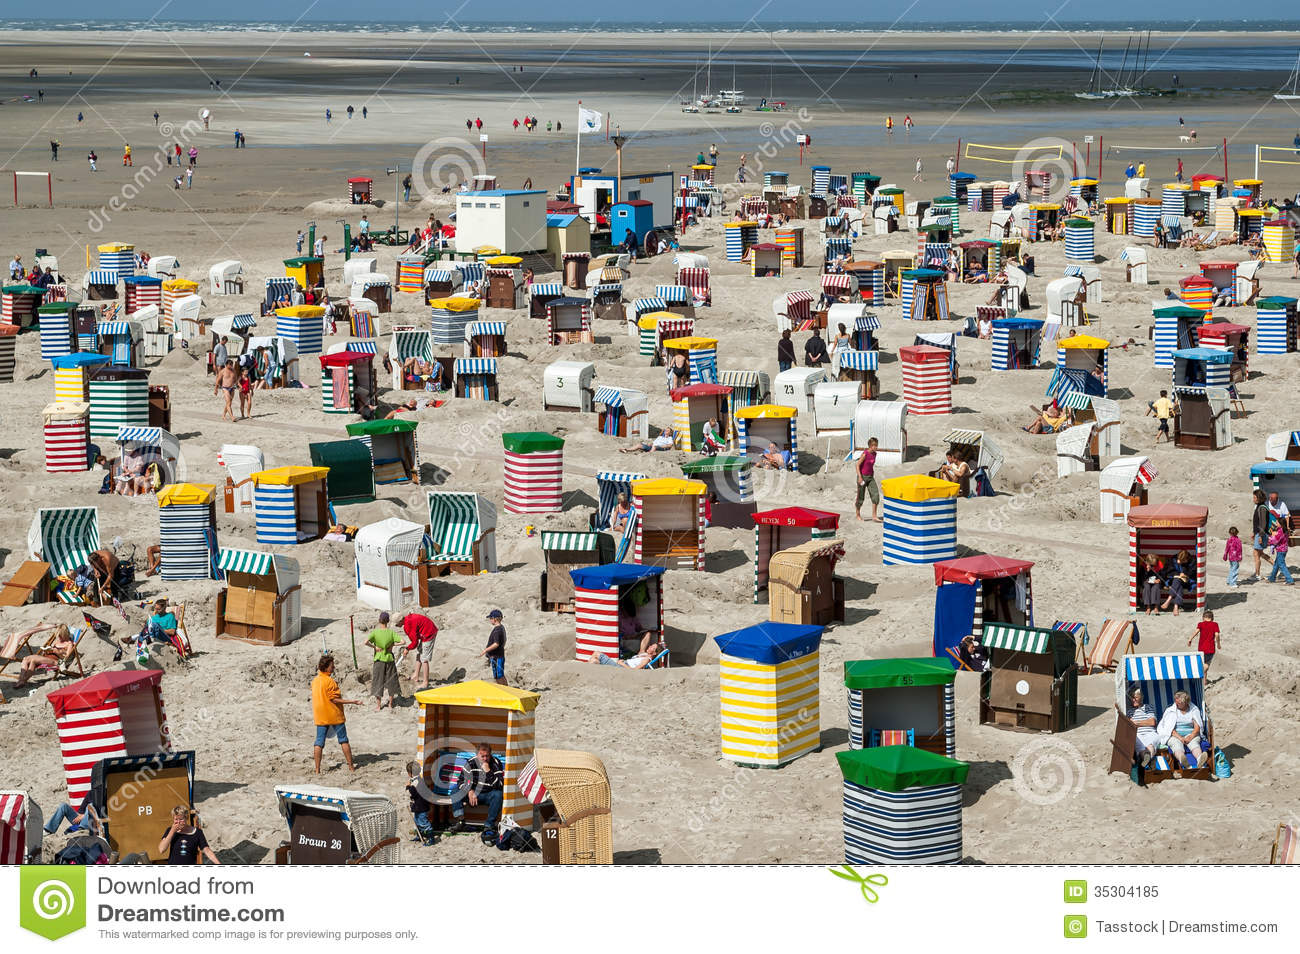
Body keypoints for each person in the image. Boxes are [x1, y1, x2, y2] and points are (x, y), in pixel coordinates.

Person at [312, 655, 360, 773]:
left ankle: (317, 769)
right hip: (334, 715)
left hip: (320, 715)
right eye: (332, 666)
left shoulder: (315, 681)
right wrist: (352, 701)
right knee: (343, 740)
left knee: (319, 742)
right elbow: (334, 699)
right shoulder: (330, 682)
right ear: (326, 667)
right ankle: (351, 767)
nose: (334, 667)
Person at [448, 743, 504, 839]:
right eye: (482, 756)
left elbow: (500, 784)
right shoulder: (470, 763)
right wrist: (470, 791)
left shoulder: (495, 763)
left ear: (490, 755)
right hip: (472, 793)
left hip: (488, 794)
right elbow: (461, 781)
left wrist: (488, 772)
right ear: (477, 755)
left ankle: (489, 825)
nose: (485, 759)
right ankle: (461, 822)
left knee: (498, 795)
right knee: (455, 791)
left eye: (487, 756)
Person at [13, 624, 76, 688]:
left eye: (60, 635)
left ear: (64, 634)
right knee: (26, 659)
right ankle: (22, 681)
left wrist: (58, 652)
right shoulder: (57, 642)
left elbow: (67, 657)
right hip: (47, 658)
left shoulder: (69, 644)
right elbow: (52, 650)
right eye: (58, 635)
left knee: (33, 660)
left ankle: (21, 681)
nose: (58, 637)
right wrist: (48, 650)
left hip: (56, 661)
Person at [1158, 690, 1205, 770]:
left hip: (1190, 733)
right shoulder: (1171, 711)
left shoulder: (1193, 710)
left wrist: (1191, 736)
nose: (1177, 704)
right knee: (1176, 744)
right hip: (1175, 735)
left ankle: (1200, 760)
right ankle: (1183, 760)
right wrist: (1181, 738)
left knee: (1194, 744)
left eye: (1179, 703)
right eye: (1176, 702)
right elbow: (1169, 729)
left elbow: (1197, 727)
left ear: (1186, 702)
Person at [366, 612, 402, 710]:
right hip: (389, 659)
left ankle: (378, 706)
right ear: (388, 621)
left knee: (378, 681)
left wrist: (375, 647)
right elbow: (403, 641)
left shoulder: (375, 632)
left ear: (379, 620)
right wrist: (393, 645)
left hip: (378, 660)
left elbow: (366, 642)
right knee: (392, 681)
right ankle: (390, 704)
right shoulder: (391, 632)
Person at [400, 611, 438, 691]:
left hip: (429, 633)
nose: (397, 626)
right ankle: (416, 675)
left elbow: (414, 643)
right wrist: (408, 648)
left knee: (424, 659)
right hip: (425, 632)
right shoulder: (407, 621)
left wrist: (407, 649)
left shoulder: (409, 624)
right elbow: (415, 641)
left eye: (397, 624)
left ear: (401, 620)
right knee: (419, 653)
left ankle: (425, 682)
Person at [588, 632, 665, 669]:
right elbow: (648, 634)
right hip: (622, 664)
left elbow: (634, 671)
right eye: (651, 645)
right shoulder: (643, 654)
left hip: (622, 667)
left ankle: (584, 671)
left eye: (652, 647)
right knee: (594, 661)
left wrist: (622, 664)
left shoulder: (646, 659)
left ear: (654, 652)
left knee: (597, 654)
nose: (650, 646)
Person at [1126, 687, 1160, 767]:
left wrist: (1136, 723)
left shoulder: (1148, 707)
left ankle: (1147, 759)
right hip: (1137, 734)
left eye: (1135, 698)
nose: (1133, 700)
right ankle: (1148, 758)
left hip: (1150, 732)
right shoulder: (1130, 711)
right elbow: (1129, 725)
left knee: (1150, 745)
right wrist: (1144, 722)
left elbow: (1152, 722)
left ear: (1141, 697)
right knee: (1140, 746)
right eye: (1132, 698)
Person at [405, 760, 436, 844]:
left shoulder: (415, 782)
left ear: (410, 773)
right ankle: (420, 836)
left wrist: (407, 786)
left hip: (421, 807)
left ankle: (431, 838)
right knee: (417, 822)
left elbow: (411, 793)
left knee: (423, 822)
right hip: (420, 806)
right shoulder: (420, 779)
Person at [856, 437, 880, 522]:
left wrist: (872, 474)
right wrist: (860, 477)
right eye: (874, 445)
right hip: (862, 477)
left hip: (870, 477)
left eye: (876, 445)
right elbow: (857, 465)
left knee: (876, 495)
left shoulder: (875, 454)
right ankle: (858, 514)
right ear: (870, 446)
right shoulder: (865, 454)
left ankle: (874, 516)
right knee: (860, 497)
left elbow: (870, 466)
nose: (876, 447)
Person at [482, 609, 506, 684]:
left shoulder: (497, 630)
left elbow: (496, 644)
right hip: (497, 655)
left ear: (495, 619)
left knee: (499, 676)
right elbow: (504, 640)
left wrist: (486, 650)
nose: (490, 620)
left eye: (491, 618)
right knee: (497, 675)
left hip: (497, 657)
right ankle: (504, 690)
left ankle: (506, 691)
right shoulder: (502, 627)